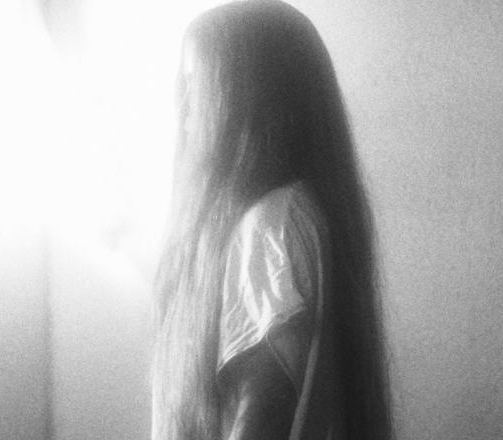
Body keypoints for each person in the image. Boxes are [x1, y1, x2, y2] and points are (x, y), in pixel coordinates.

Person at [150, 1, 392, 439]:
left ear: (247, 96)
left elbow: (261, 415)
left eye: (197, 84)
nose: (183, 108)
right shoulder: (291, 216)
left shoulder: (269, 226)